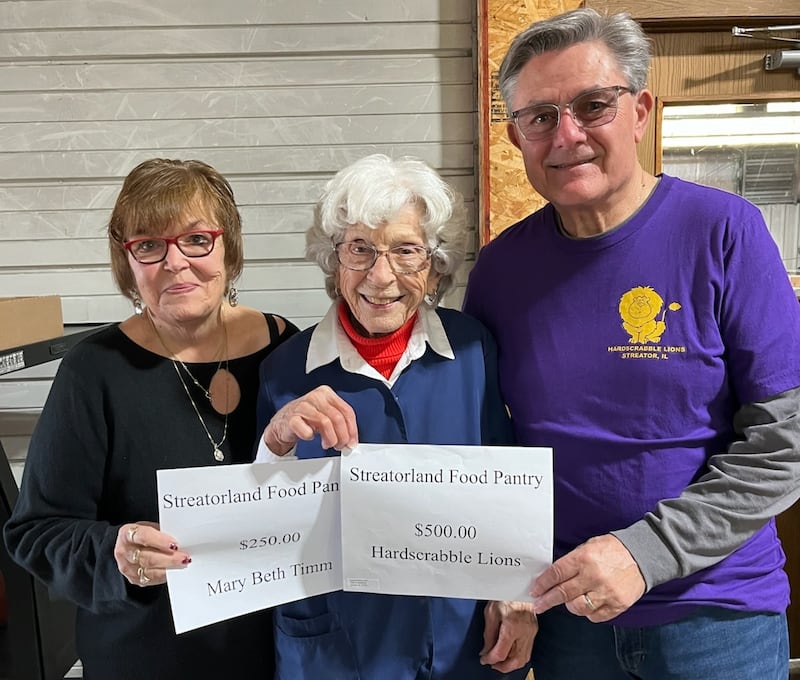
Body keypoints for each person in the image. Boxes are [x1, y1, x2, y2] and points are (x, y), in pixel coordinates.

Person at [463, 7, 800, 679]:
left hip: (714, 618)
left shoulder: (725, 233)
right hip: (567, 621)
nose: (568, 135)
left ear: (640, 110)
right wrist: (505, 578)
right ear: (516, 136)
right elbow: (489, 451)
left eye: (593, 106)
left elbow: (783, 440)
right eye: (540, 117)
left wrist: (643, 554)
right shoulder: (500, 271)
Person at [3, 158, 299, 679]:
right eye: (149, 245)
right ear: (128, 263)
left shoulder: (288, 349)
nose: (175, 262)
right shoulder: (94, 371)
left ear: (227, 245)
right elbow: (36, 532)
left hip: (281, 654)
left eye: (196, 240)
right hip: (147, 657)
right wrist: (115, 551)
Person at [254, 153, 535, 679]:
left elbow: (507, 486)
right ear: (333, 259)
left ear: (433, 266)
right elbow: (258, 527)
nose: (381, 277)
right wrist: (275, 443)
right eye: (360, 249)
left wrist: (516, 591)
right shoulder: (284, 370)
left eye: (406, 251)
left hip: (460, 641)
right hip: (340, 647)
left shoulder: (475, 350)